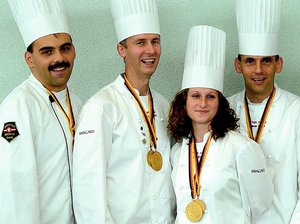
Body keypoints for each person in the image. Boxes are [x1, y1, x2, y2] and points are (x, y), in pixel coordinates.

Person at [72, 0, 176, 223]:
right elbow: (88, 190)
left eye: (155, 41)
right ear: (122, 50)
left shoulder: (164, 106)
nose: (150, 50)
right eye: (140, 42)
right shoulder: (100, 107)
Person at [228, 0, 300, 223]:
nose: (259, 70)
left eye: (266, 61)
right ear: (238, 65)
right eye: (250, 61)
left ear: (278, 64)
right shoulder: (224, 108)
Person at [169, 25, 273, 224]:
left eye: (211, 96)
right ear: (185, 101)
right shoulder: (177, 151)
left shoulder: (242, 148)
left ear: (220, 102)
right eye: (195, 96)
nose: (202, 103)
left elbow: (260, 205)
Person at [0, 0, 82, 223]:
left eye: (65, 48)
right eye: (47, 51)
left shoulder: (77, 103)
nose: (59, 58)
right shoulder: (17, 107)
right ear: (30, 59)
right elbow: (15, 188)